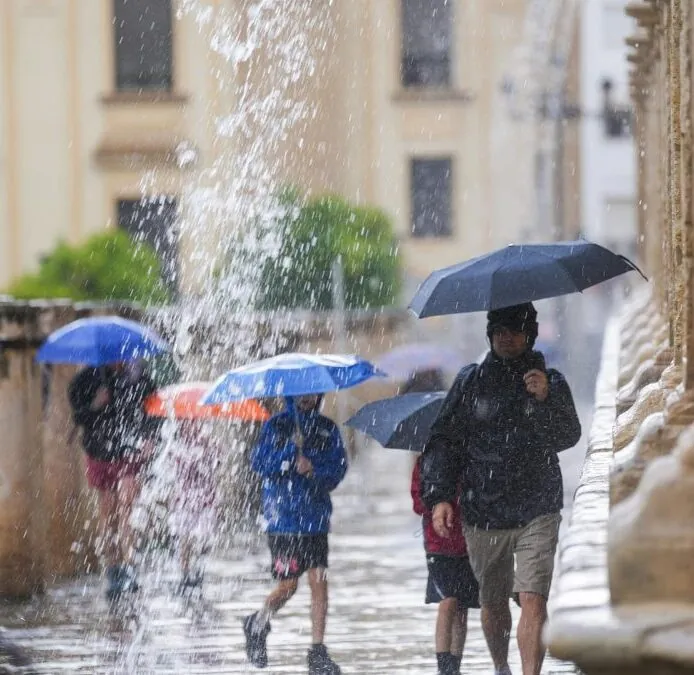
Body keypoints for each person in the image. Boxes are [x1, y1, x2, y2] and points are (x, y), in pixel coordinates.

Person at [421, 303, 581, 675]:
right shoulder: (470, 382)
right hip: (484, 511)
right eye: (499, 330)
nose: (506, 336)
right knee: (493, 604)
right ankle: (500, 666)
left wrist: (544, 401)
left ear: (530, 335)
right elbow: (444, 441)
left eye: (514, 329)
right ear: (489, 334)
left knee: (532, 597)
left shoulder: (550, 382)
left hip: (537, 506)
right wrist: (440, 496)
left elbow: (568, 435)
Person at [242, 394, 347, 674]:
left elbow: (338, 470)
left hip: (315, 520)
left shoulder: (327, 429)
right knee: (288, 586)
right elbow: (260, 464)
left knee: (319, 580)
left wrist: (314, 470)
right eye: (302, 394)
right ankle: (257, 623)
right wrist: (289, 454)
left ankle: (317, 650)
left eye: (312, 393)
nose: (307, 399)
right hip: (283, 521)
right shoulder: (275, 426)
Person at [68, 360, 158, 599]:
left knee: (127, 509)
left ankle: (130, 566)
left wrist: (149, 438)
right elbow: (78, 417)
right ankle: (114, 569)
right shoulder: (85, 380)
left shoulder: (138, 377)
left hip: (129, 452)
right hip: (99, 453)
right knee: (108, 514)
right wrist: (96, 405)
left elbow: (153, 410)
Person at [411, 454, 479, 675]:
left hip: (467, 541)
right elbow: (417, 500)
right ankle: (444, 665)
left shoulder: (470, 457)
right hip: (438, 543)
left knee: (462, 606)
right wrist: (439, 503)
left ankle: (454, 665)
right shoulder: (427, 461)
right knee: (448, 599)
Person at [166, 418, 222, 591]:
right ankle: (185, 574)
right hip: (184, 499)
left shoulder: (208, 442)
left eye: (193, 423)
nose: (190, 427)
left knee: (204, 537)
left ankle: (198, 569)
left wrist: (208, 450)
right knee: (184, 537)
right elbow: (171, 469)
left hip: (205, 499)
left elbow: (217, 464)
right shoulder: (174, 446)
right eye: (186, 424)